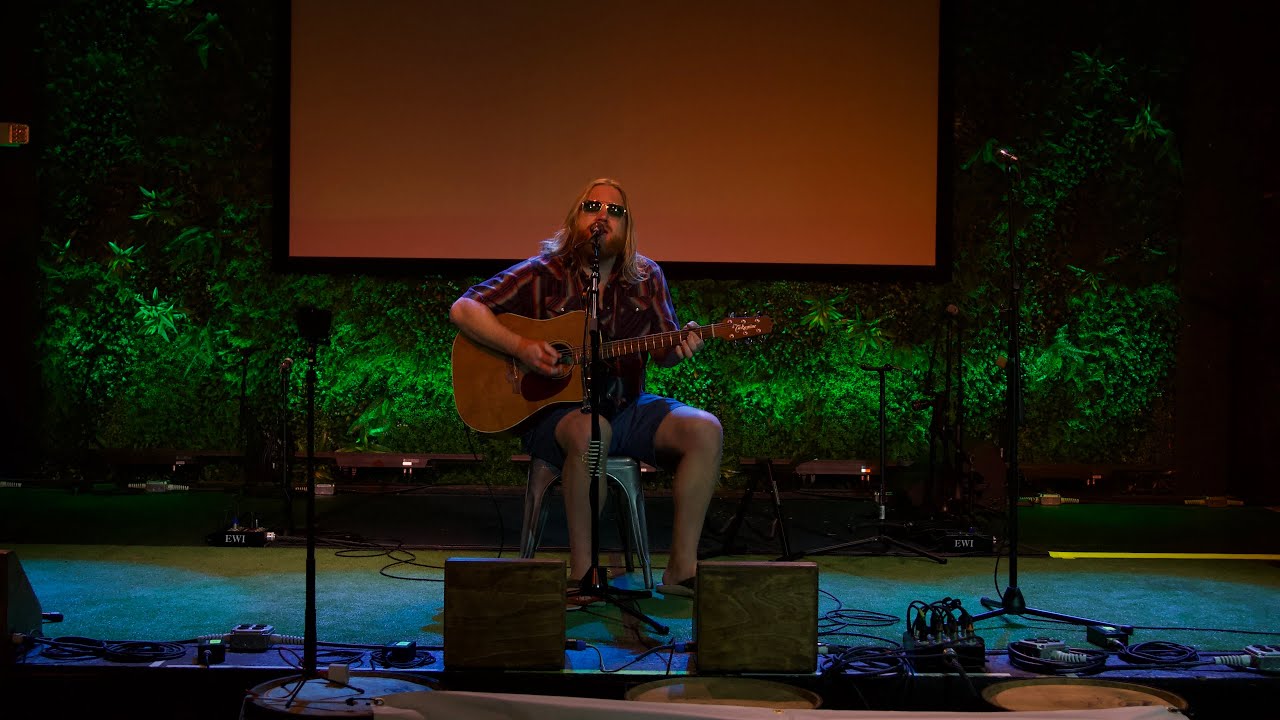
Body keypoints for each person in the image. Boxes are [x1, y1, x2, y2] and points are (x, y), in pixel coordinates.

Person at [449, 178, 722, 597]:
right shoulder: (544, 272)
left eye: (615, 211)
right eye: (592, 206)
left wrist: (682, 345)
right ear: (574, 218)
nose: (603, 216)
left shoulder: (648, 277)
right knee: (590, 430)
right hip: (556, 416)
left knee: (705, 428)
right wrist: (521, 347)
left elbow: (665, 351)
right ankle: (584, 575)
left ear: (627, 228)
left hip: (627, 406)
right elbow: (464, 308)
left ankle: (681, 570)